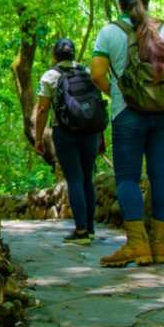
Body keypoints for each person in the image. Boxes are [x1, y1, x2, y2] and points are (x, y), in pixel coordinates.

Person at [90, 0, 164, 267]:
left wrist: (120, 93)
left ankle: (137, 245)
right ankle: (159, 246)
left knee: (127, 179)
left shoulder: (110, 32)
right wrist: (159, 92)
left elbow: (97, 74)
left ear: (120, 4)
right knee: (161, 175)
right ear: (147, 1)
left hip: (128, 115)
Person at [33, 38, 100, 245]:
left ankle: (80, 232)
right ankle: (89, 228)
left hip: (65, 133)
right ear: (73, 54)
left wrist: (38, 138)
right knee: (87, 178)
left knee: (75, 179)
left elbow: (43, 109)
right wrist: (101, 136)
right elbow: (97, 105)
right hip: (90, 132)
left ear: (55, 55)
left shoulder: (50, 76)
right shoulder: (87, 72)